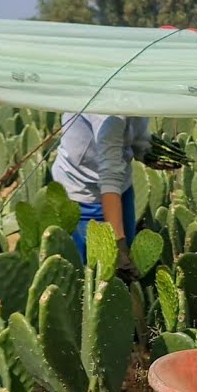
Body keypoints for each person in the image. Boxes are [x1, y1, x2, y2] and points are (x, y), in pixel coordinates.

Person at [50, 112, 149, 280]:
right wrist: (118, 243)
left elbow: (136, 119)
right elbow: (109, 175)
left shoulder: (134, 91)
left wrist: (145, 150)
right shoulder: (108, 111)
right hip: (82, 192)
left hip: (121, 185)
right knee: (91, 277)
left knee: (124, 270)